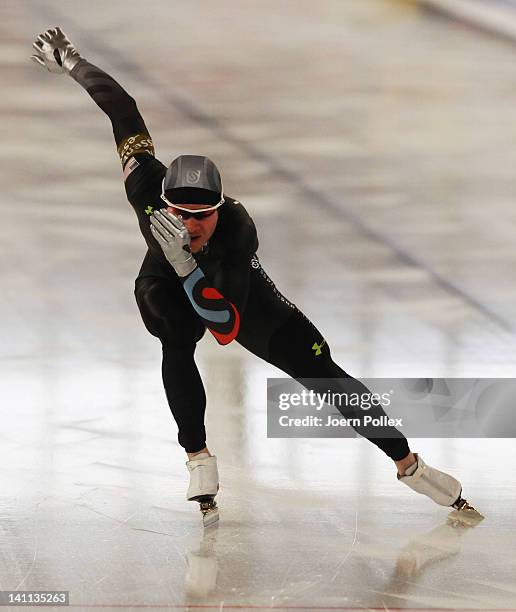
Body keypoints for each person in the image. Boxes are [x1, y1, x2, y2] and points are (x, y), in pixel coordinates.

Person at [31, 27, 480, 526]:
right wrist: (72, 61)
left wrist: (188, 262)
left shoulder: (238, 232)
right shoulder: (144, 181)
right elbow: (121, 107)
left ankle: (409, 465)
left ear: (221, 209)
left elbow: (225, 328)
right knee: (173, 334)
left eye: (203, 215)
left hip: (229, 293)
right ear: (165, 200)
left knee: (323, 371)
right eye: (180, 212)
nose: (190, 225)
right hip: (163, 281)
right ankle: (197, 456)